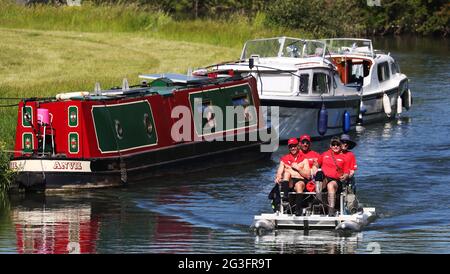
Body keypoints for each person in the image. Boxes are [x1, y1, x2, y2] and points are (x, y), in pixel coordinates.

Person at [318, 136, 350, 216]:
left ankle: (331, 210)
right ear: (330, 146)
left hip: (336, 180)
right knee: (318, 176)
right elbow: (316, 165)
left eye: (337, 145)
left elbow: (347, 172)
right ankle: (318, 200)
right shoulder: (324, 154)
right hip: (324, 178)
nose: (335, 146)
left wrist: (345, 176)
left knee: (330, 185)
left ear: (340, 145)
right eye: (333, 144)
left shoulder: (344, 157)